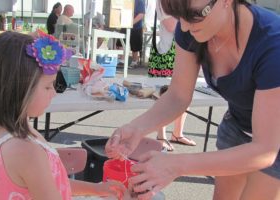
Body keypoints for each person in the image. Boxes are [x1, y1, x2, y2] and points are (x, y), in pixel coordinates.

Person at [105, 0, 280, 199]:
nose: (185, 26)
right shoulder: (190, 26)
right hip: (238, 125)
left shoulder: (273, 43)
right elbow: (178, 95)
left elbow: (265, 150)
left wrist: (176, 165)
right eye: (178, 15)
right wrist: (136, 128)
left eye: (194, 15)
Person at [0, 31, 125, 199]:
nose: (54, 93)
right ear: (18, 90)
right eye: (48, 86)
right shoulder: (27, 151)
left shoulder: (9, 131)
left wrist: (97, 189)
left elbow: (53, 182)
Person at [153, 0, 196, 151]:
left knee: (186, 93)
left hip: (183, 53)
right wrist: (193, 21)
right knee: (165, 96)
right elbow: (172, 26)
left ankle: (177, 133)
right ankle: (161, 135)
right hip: (167, 54)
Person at [129, 0, 145, 68]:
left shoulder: (140, 1)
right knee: (121, 43)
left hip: (136, 27)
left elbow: (141, 14)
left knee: (135, 46)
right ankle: (122, 60)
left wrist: (131, 23)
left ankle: (134, 62)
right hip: (126, 25)